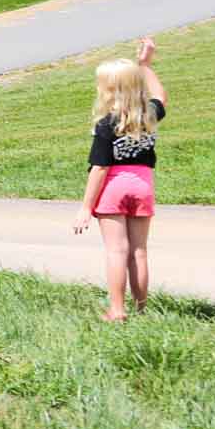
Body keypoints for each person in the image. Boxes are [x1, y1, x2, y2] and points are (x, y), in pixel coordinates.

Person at [70, 39, 167, 322]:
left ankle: (116, 309)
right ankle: (141, 309)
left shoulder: (105, 125)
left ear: (109, 90)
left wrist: (86, 207)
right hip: (143, 184)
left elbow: (99, 169)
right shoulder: (149, 114)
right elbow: (160, 94)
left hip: (114, 186)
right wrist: (146, 65)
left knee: (116, 250)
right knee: (138, 251)